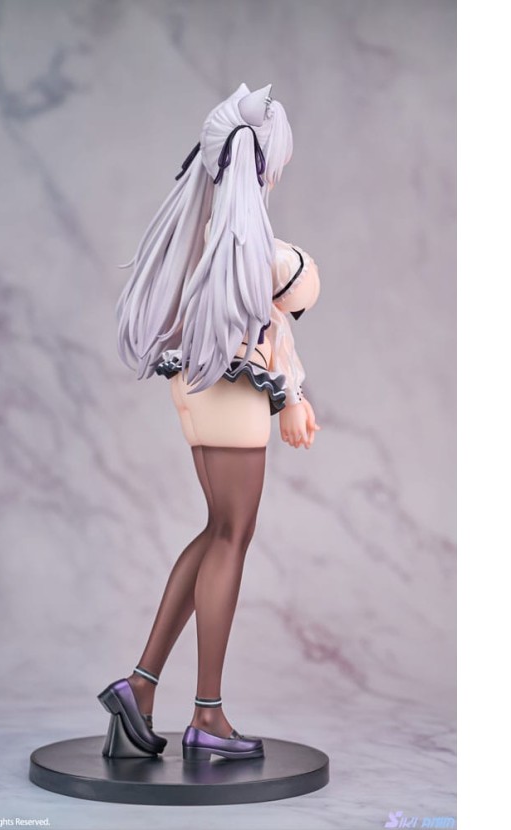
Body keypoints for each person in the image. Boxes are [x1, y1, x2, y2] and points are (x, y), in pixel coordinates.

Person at [97, 83, 321, 762]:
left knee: (219, 529)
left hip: (199, 390)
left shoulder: (204, 237)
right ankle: (208, 716)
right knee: (232, 534)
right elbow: (277, 315)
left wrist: (291, 391)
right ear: (262, 164)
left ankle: (139, 687)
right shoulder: (252, 248)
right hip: (230, 389)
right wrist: (291, 393)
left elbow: (267, 315)